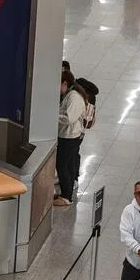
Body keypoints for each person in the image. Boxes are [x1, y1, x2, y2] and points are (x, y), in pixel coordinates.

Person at [56, 70, 88, 206]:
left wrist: (52, 115)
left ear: (65, 83)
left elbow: (69, 118)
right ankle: (65, 193)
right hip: (67, 135)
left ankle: (66, 197)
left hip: (70, 137)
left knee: (62, 166)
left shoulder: (74, 97)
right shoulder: (70, 94)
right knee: (66, 165)